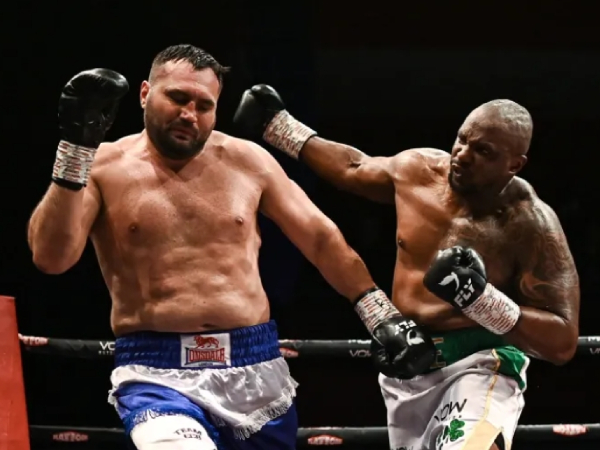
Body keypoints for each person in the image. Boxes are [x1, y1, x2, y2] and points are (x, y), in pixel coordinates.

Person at [27, 45, 437, 450]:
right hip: (156, 372)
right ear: (145, 93)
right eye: (178, 98)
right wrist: (75, 151)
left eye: (204, 105)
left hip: (254, 364)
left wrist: (380, 316)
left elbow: (320, 238)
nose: (190, 114)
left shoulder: (248, 161)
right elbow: (51, 258)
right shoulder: (102, 166)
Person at [233, 86, 581, 450]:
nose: (462, 155)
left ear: (515, 164)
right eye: (462, 140)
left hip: (480, 364)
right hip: (406, 365)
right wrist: (278, 126)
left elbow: (562, 341)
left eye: (483, 152)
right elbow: (353, 167)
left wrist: (481, 300)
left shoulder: (530, 224)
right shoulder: (420, 172)